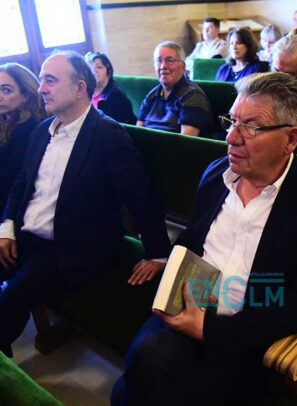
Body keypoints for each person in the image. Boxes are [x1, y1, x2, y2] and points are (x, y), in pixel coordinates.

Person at [111, 71, 297, 406]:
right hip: (192, 301)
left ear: (291, 139)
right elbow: (193, 238)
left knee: (134, 387)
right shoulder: (217, 174)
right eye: (232, 121)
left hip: (251, 332)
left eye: (251, 127)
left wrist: (209, 329)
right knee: (136, 380)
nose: (231, 137)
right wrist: (171, 272)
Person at [0, 51, 171, 358]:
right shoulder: (42, 131)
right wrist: (7, 228)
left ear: (79, 88)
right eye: (41, 80)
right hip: (25, 237)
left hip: (68, 247)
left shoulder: (106, 135)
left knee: (11, 299)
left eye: (50, 80)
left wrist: (158, 252)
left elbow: (139, 196)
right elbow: (21, 185)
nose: (41, 88)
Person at [137, 41, 213, 137]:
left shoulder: (192, 95)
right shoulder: (152, 95)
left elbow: (186, 142)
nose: (163, 66)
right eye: (159, 61)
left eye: (170, 60)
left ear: (183, 67)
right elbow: (138, 132)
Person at [0, 63, 46, 213]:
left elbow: (10, 180)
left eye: (6, 90)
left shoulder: (27, 128)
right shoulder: (6, 122)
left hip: (15, 209)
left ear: (26, 95)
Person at [85, 51, 136, 124]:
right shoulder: (85, 94)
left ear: (109, 71)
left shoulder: (116, 96)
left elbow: (115, 127)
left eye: (99, 67)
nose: (93, 71)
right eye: (90, 67)